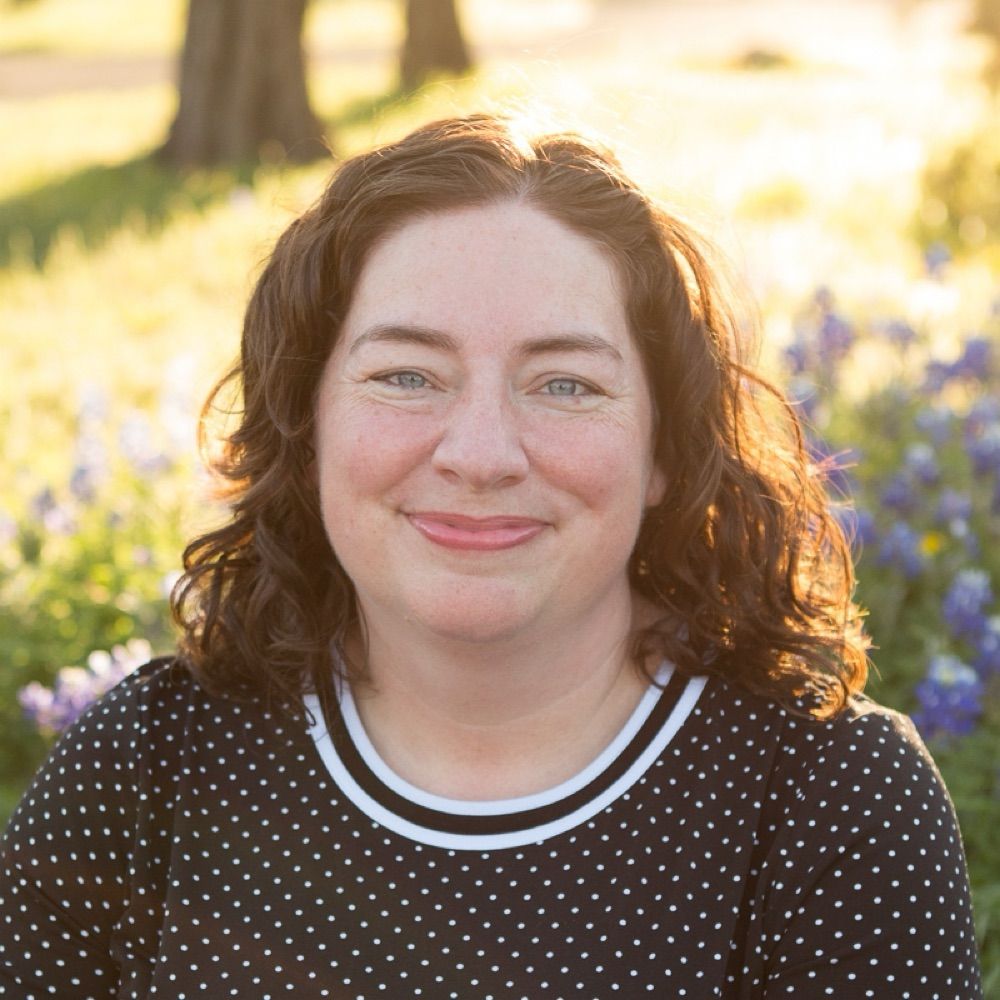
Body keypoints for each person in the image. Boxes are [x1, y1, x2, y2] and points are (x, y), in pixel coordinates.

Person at [0, 114, 983, 998]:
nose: (477, 454)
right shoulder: (152, 759)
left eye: (562, 385)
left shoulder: (829, 799)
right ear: (308, 421)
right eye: (405, 374)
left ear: (663, 448)